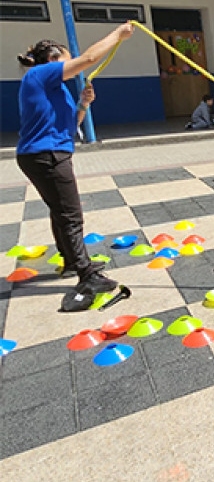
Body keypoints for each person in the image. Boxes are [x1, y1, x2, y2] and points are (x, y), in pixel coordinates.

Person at [16, 23, 134, 312]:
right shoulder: (38, 74)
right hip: (46, 156)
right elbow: (89, 59)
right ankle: (87, 275)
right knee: (71, 215)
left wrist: (82, 105)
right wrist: (119, 34)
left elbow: (71, 127)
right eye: (67, 58)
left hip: (48, 153)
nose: (71, 63)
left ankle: (72, 261)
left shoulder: (58, 89)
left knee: (61, 211)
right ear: (54, 59)